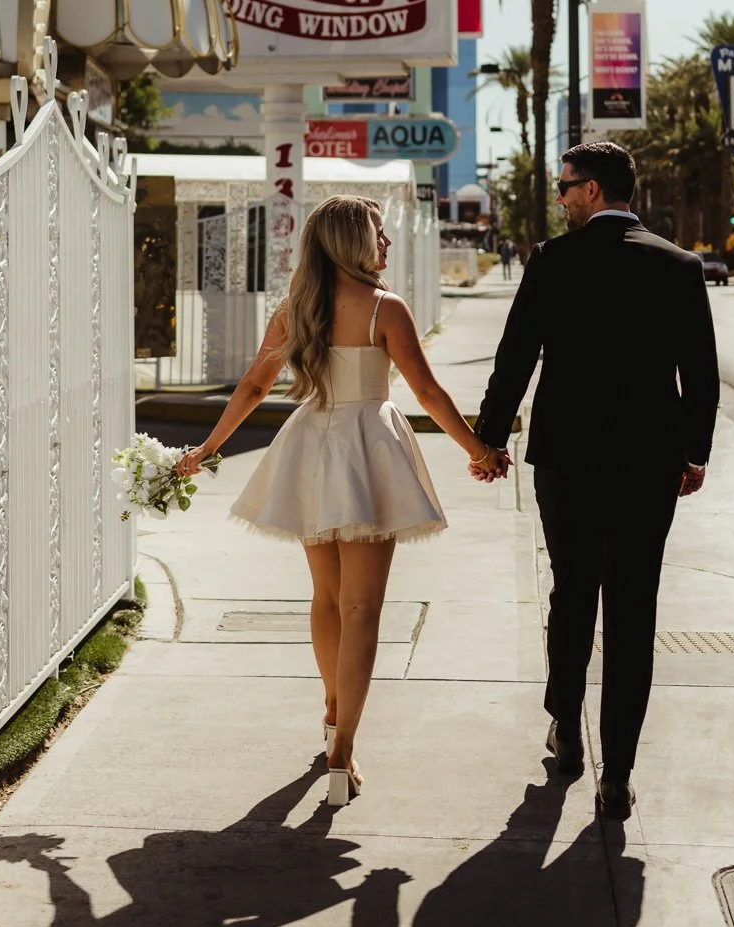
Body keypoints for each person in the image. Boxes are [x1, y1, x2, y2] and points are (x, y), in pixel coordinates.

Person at [177, 197, 507, 806]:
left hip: (312, 442)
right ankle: (343, 750)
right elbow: (428, 392)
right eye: (379, 234)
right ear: (354, 241)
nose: (386, 244)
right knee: (362, 610)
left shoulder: (296, 309)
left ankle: (332, 709)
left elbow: (253, 386)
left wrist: (206, 448)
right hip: (370, 447)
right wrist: (479, 451)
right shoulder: (385, 307)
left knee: (326, 598)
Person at [474, 140, 719, 819]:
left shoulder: (553, 261)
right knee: (633, 608)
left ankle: (564, 731)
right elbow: (699, 376)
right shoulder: (676, 266)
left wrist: (488, 437)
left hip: (565, 458)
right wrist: (693, 454)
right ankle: (617, 771)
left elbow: (515, 356)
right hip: (648, 460)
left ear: (593, 190)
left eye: (564, 186)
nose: (559, 196)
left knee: (572, 591)